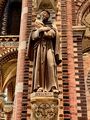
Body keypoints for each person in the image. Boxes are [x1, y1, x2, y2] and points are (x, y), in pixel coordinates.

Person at [27, 10, 61, 92]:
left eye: (46, 14)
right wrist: (40, 31)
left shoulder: (51, 25)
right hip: (39, 47)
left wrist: (45, 31)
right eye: (43, 13)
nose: (44, 15)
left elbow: (52, 34)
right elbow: (33, 37)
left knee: (51, 64)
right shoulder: (36, 25)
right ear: (40, 14)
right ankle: (39, 86)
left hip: (49, 47)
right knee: (40, 66)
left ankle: (53, 87)